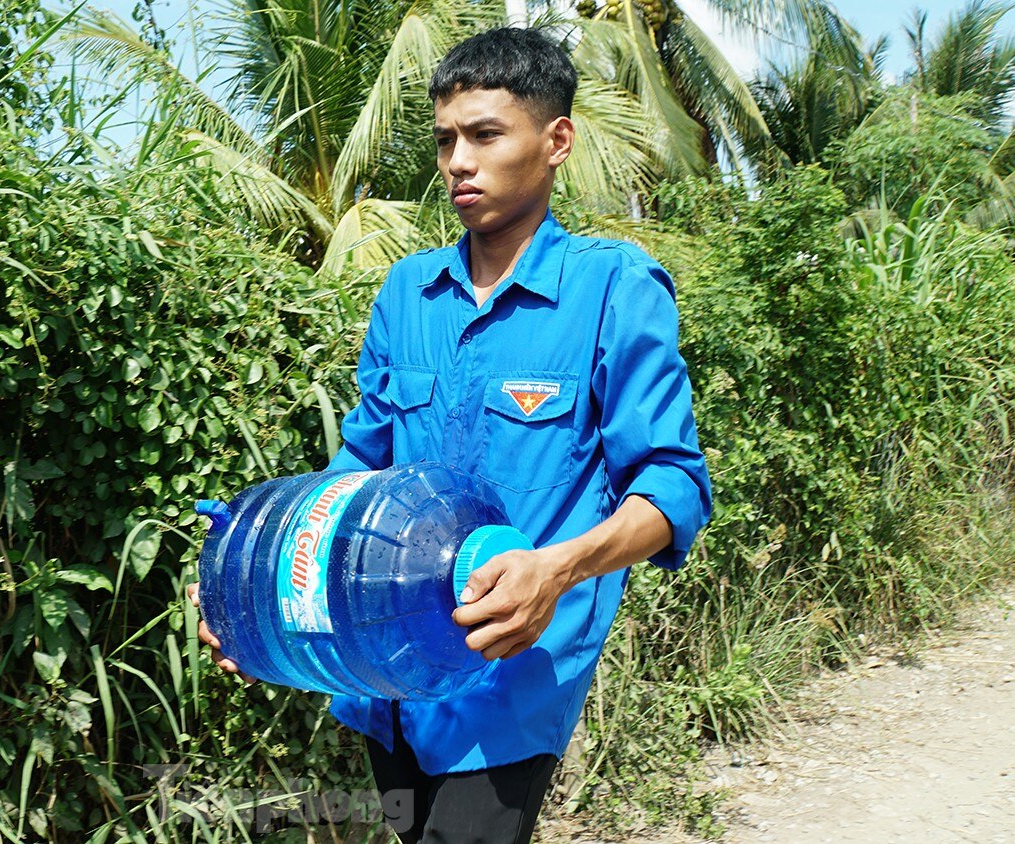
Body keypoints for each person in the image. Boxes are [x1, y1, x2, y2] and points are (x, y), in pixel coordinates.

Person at [188, 26, 711, 843]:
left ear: (556, 141)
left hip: (512, 680)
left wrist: (555, 568)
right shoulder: (407, 292)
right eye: (445, 140)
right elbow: (359, 463)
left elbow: (672, 485)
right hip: (383, 669)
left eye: (486, 135)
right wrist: (258, 583)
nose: (458, 162)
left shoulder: (614, 288)